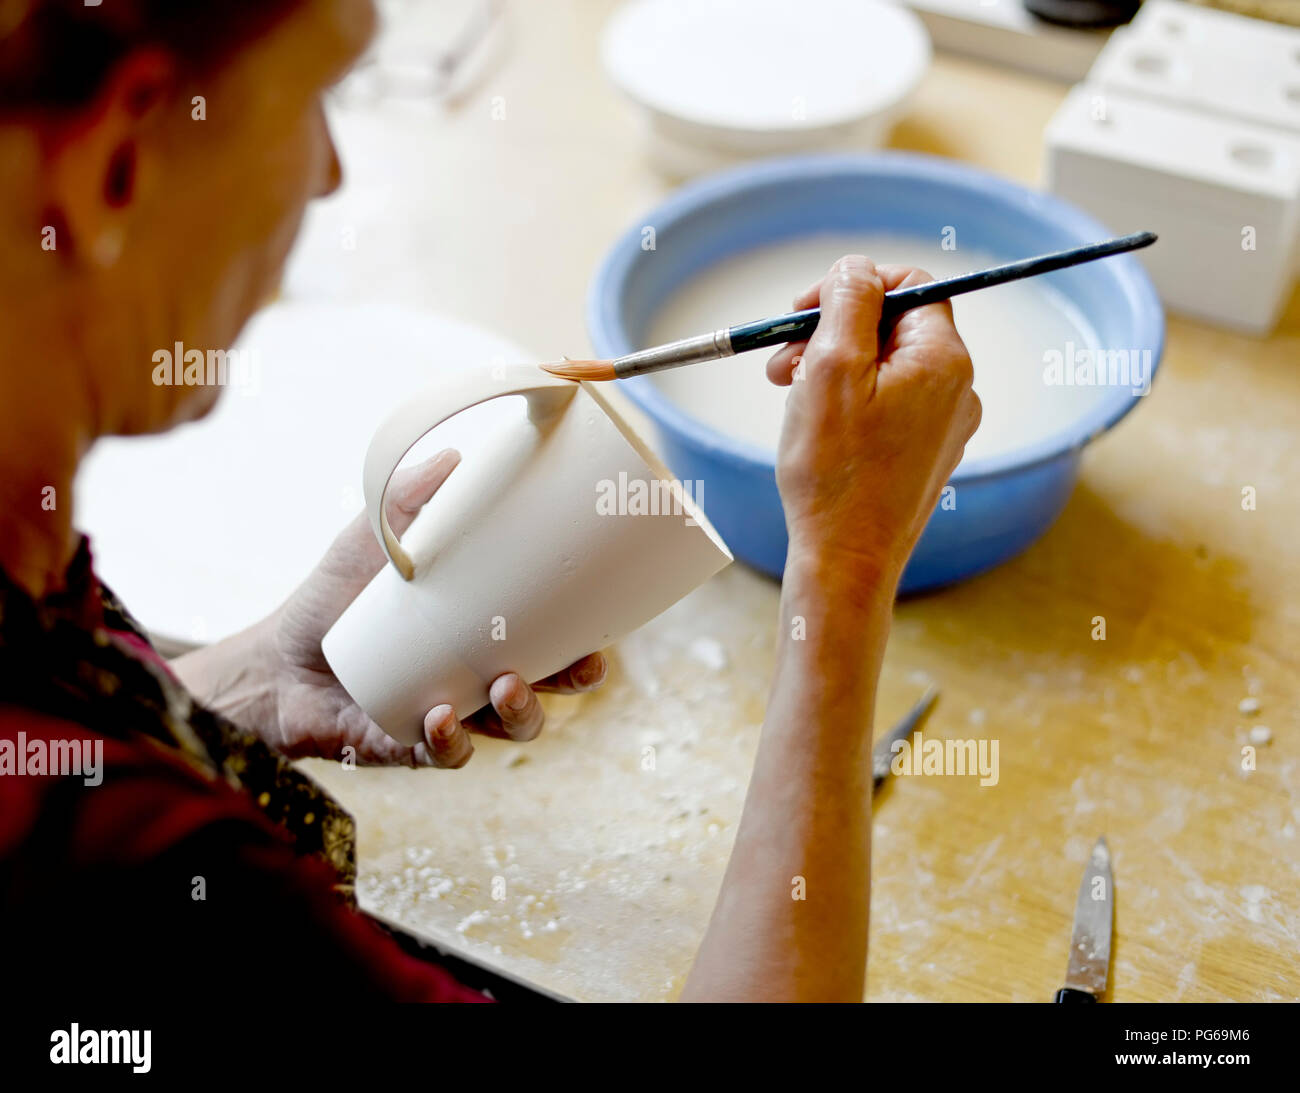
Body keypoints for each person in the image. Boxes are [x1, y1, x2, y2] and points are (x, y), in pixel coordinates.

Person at [0, 0, 979, 1002]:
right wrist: (847, 568)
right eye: (315, 99)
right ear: (113, 168)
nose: (331, 171)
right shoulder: (141, 878)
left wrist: (249, 695)